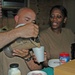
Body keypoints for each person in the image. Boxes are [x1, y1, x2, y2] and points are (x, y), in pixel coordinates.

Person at [0, 7, 43, 75]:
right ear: (17, 19)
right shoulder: (4, 33)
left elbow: (38, 68)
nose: (30, 25)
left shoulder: (33, 40)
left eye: (33, 22)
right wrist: (19, 32)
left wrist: (27, 57)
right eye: (27, 20)